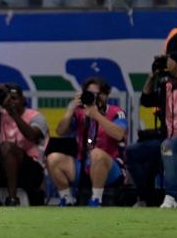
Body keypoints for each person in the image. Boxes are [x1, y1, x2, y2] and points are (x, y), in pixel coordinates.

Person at [126, 52, 177, 208]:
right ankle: (145, 197)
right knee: (133, 151)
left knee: (169, 146)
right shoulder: (166, 87)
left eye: (173, 65)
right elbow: (146, 100)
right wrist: (152, 75)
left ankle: (173, 197)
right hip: (166, 140)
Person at [47, 77, 127, 207]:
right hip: (84, 165)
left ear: (106, 95)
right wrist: (70, 109)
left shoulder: (116, 112)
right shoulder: (79, 112)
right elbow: (60, 131)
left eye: (97, 94)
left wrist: (96, 115)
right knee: (53, 158)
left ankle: (96, 199)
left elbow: (119, 134)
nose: (94, 98)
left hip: (110, 167)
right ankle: (67, 199)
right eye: (90, 94)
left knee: (96, 154)